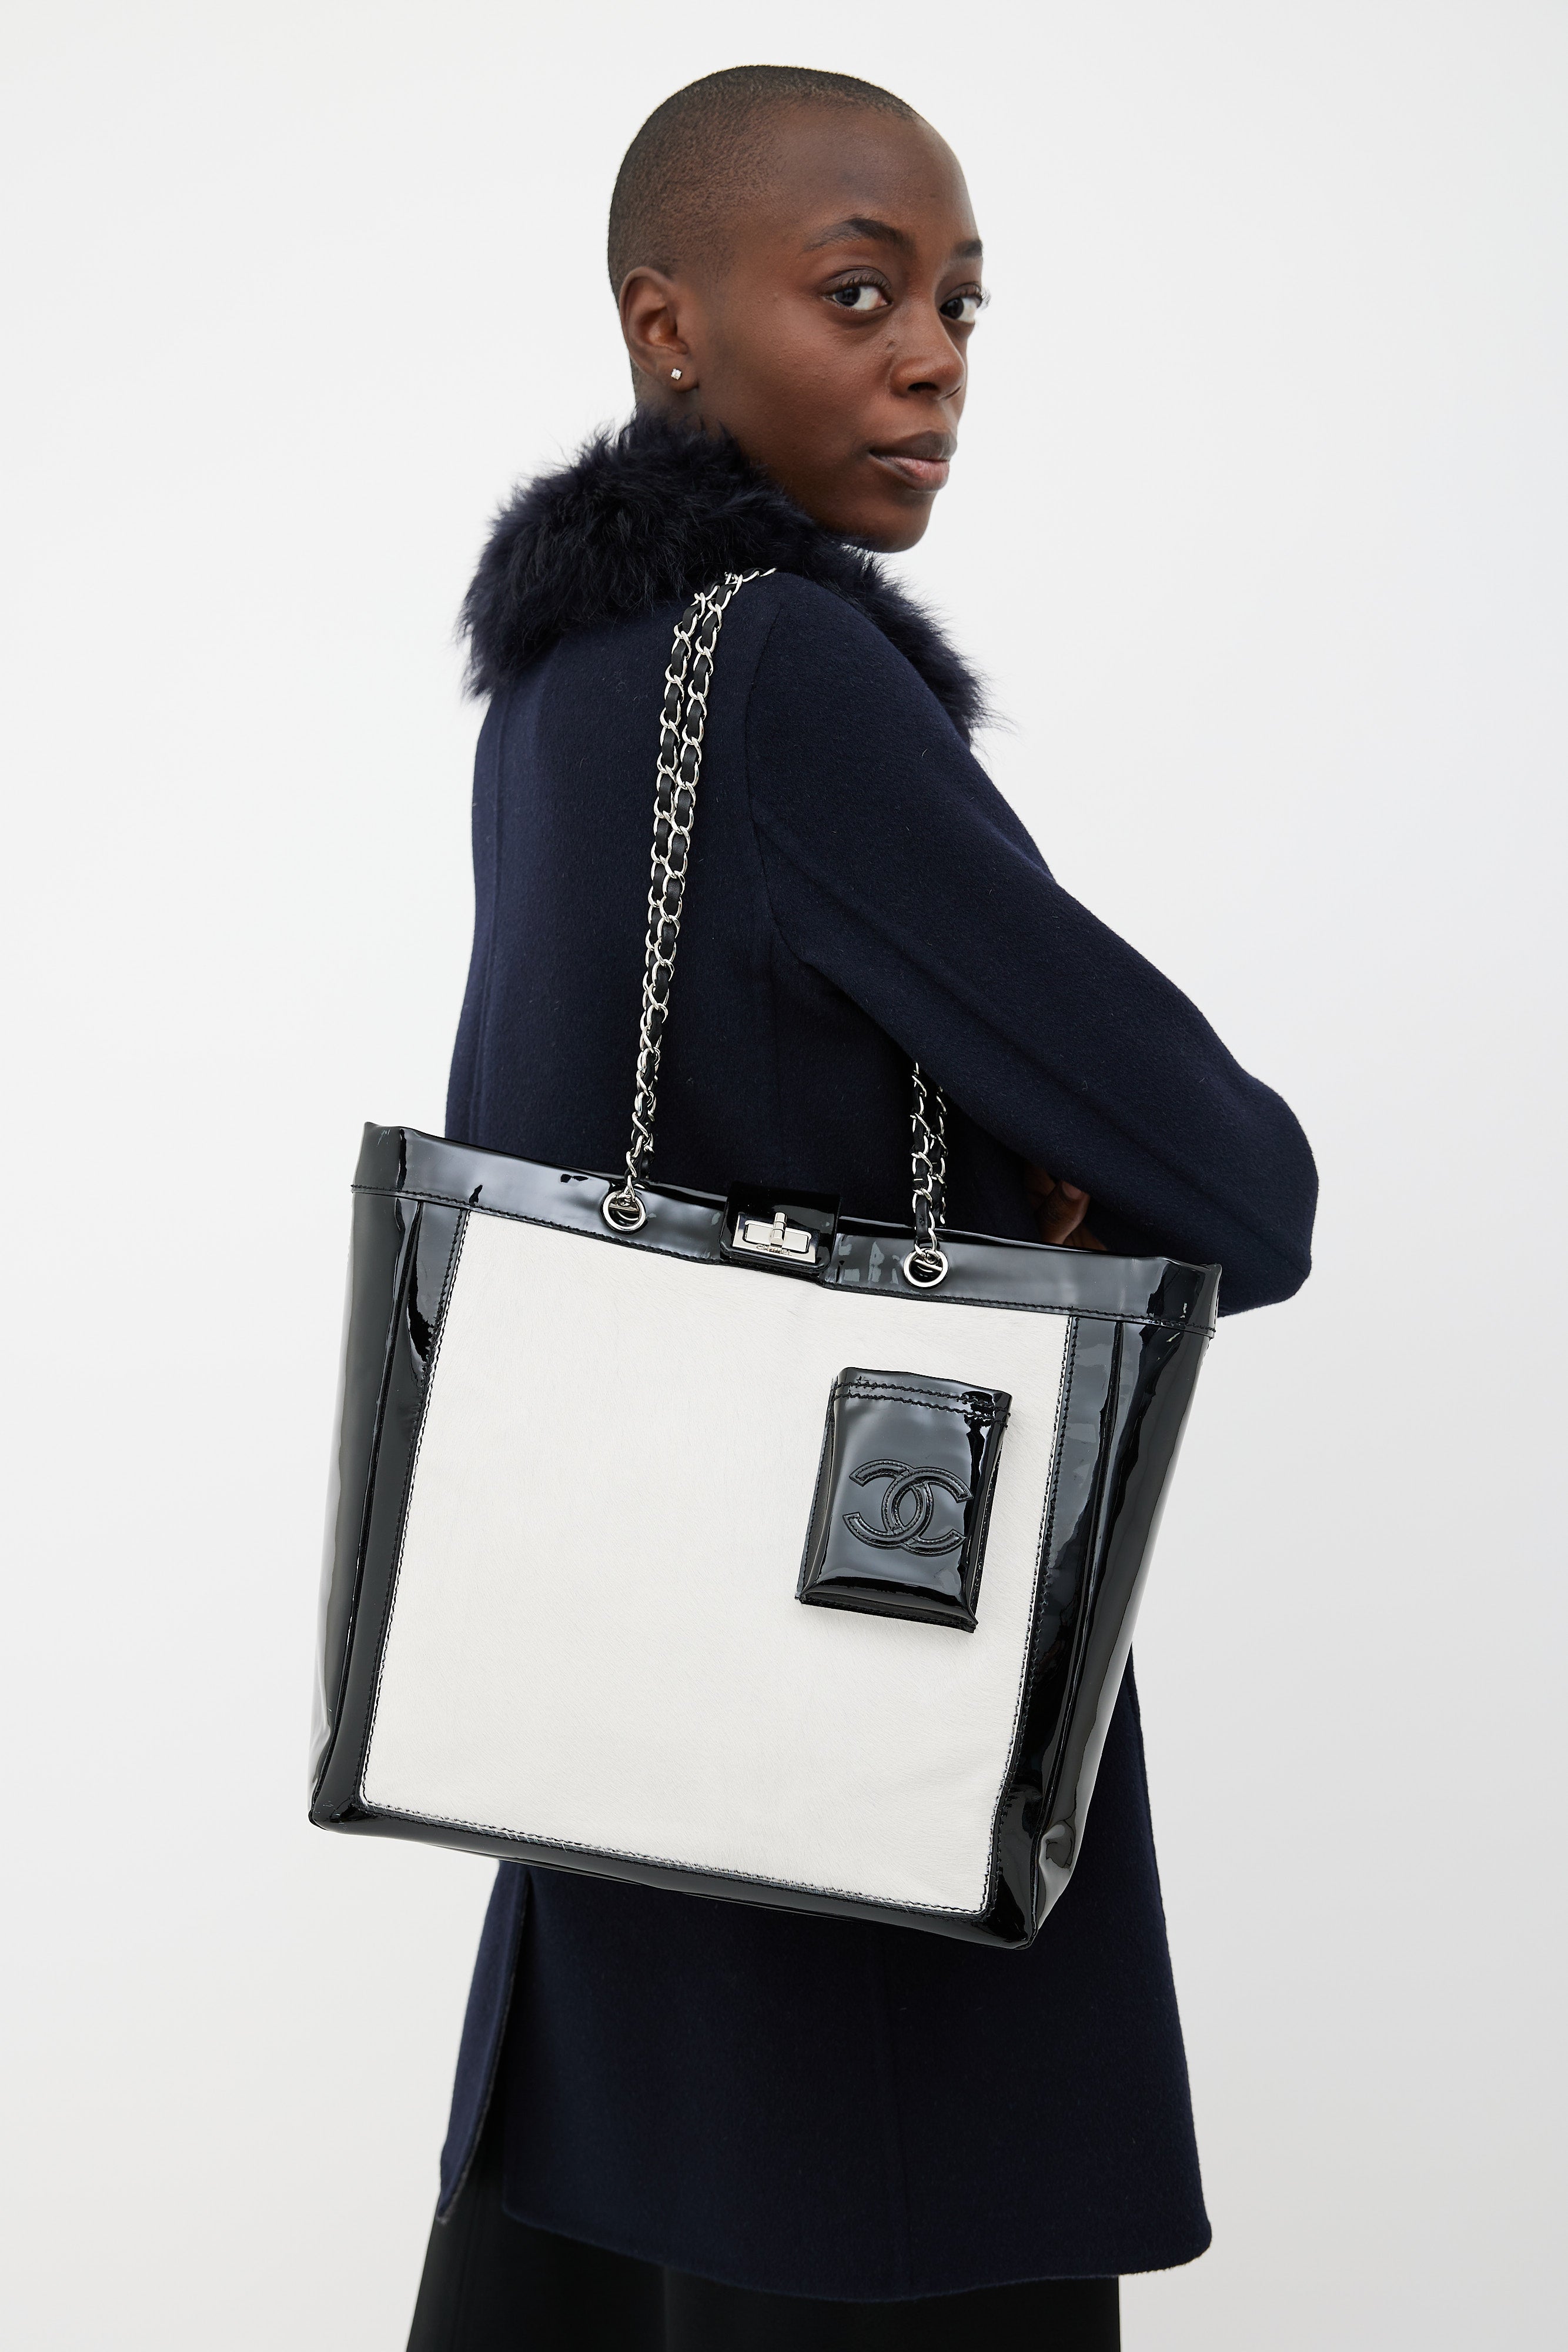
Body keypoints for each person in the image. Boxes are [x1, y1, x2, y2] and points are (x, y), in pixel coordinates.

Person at [405, 64, 1316, 2352]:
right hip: (855, 1824)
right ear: (668, 325)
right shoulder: (786, 672)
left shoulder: (569, 688)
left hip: (620, 1792)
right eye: (857, 293)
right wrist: (1051, 1194)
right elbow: (1239, 1179)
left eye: (959, 307)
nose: (929, 359)